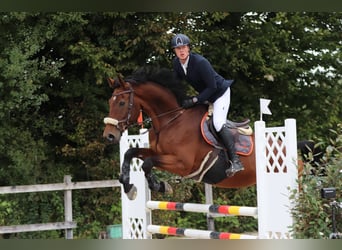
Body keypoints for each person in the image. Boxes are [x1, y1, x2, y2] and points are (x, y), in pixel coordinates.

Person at [170, 33, 244, 176]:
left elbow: (212, 87)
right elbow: (176, 84)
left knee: (217, 122)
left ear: (188, 48)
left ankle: (236, 161)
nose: (181, 50)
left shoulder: (200, 62)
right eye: (178, 48)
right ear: (174, 51)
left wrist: (195, 100)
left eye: (184, 47)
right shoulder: (177, 64)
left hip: (219, 93)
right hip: (206, 94)